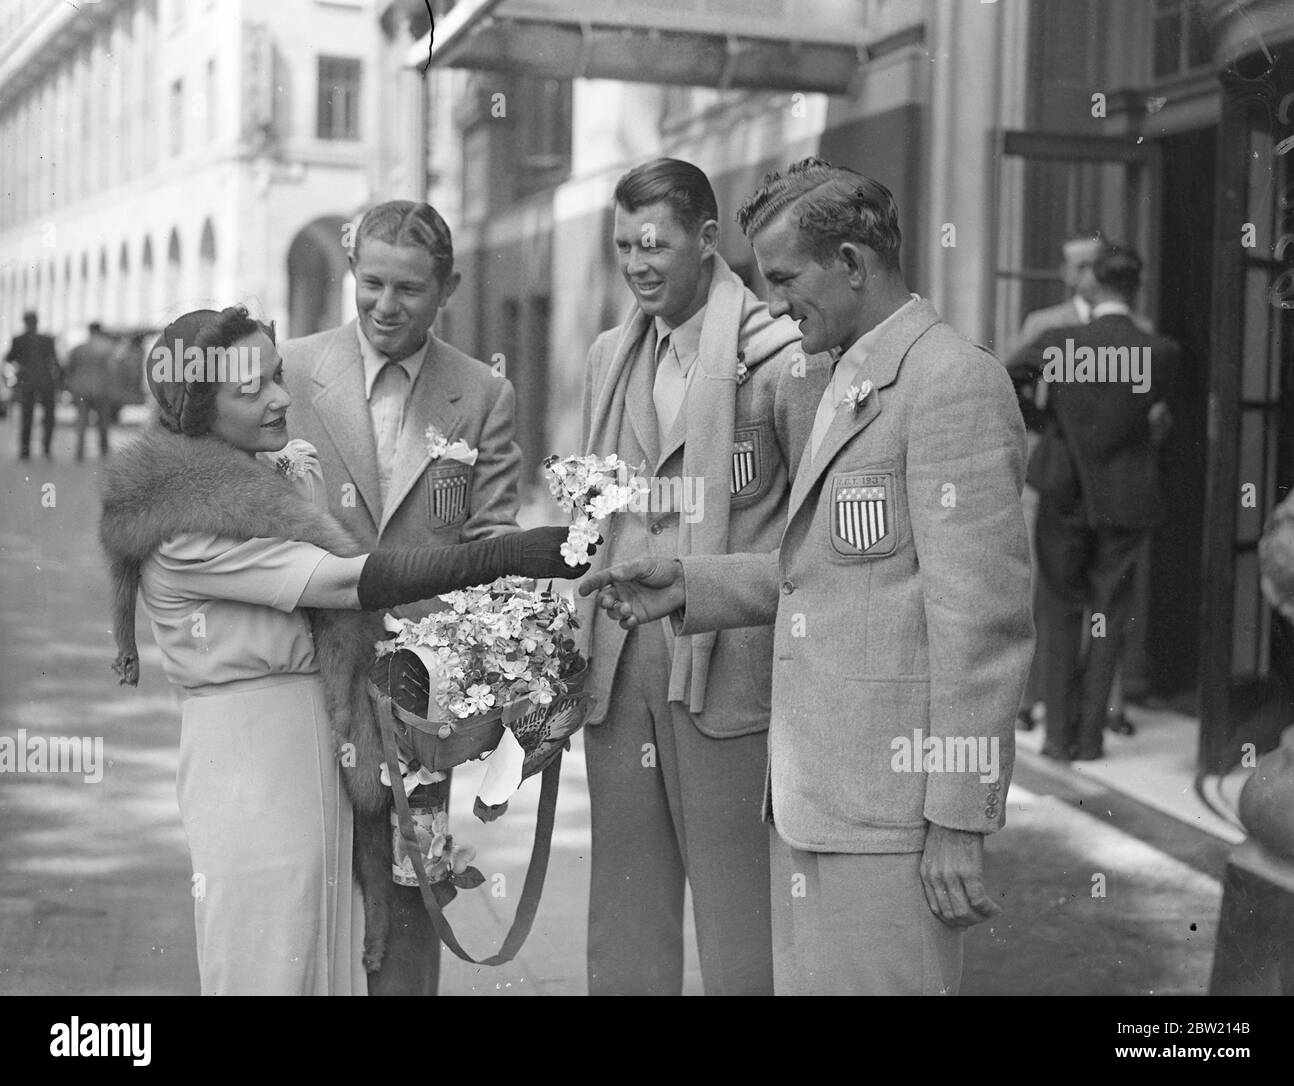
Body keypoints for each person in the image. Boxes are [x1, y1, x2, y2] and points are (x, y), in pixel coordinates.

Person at [579, 158, 1034, 995]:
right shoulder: (831, 378)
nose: (775, 305)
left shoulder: (952, 382)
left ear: (853, 264)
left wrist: (960, 823)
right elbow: (815, 574)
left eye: (786, 279)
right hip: (813, 799)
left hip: (893, 813)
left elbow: (983, 627)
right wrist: (688, 582)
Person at [99, 306, 582, 996]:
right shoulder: (183, 528)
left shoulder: (268, 481)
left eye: (276, 375)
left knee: (326, 959)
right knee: (266, 960)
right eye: (251, 390)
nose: (281, 399)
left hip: (314, 751)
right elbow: (348, 582)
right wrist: (506, 555)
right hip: (248, 764)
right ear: (199, 412)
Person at [579, 158, 826, 996]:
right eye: (623, 245)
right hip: (618, 672)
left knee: (739, 931)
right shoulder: (610, 357)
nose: (638, 264)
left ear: (709, 240)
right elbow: (593, 520)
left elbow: (813, 551)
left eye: (655, 243)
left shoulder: (782, 358)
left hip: (729, 675)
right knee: (625, 922)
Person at [282, 199, 521, 996]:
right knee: (310, 887)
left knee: (415, 885)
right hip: (306, 675)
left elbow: (492, 540)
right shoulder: (291, 371)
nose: (386, 306)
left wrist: (478, 684)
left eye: (410, 290)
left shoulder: (482, 393)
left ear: (446, 288)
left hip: (423, 693)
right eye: (372, 283)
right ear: (352, 274)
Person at [1007, 245, 1177, 761]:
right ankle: (1090, 739)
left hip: (1063, 489)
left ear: (1094, 284)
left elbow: (1006, 379)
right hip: (1125, 498)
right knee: (1110, 613)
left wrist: (1046, 428)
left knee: (1058, 610)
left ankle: (1059, 738)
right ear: (1134, 289)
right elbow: (1159, 419)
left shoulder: (1059, 342)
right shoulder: (1162, 352)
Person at [5, 310, 61, 460]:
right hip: (46, 382)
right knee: (49, 418)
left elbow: (9, 358)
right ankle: (46, 448)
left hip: (26, 382)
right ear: (37, 321)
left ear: (25, 322)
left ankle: (25, 451)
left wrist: (20, 367)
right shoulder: (47, 339)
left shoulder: (18, 340)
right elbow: (54, 361)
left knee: (27, 417)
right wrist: (59, 380)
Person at [65, 322, 116, 461]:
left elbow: (70, 368)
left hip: (81, 388)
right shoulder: (107, 347)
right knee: (103, 420)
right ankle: (104, 450)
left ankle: (79, 452)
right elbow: (112, 370)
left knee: (82, 420)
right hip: (100, 388)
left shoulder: (79, 348)